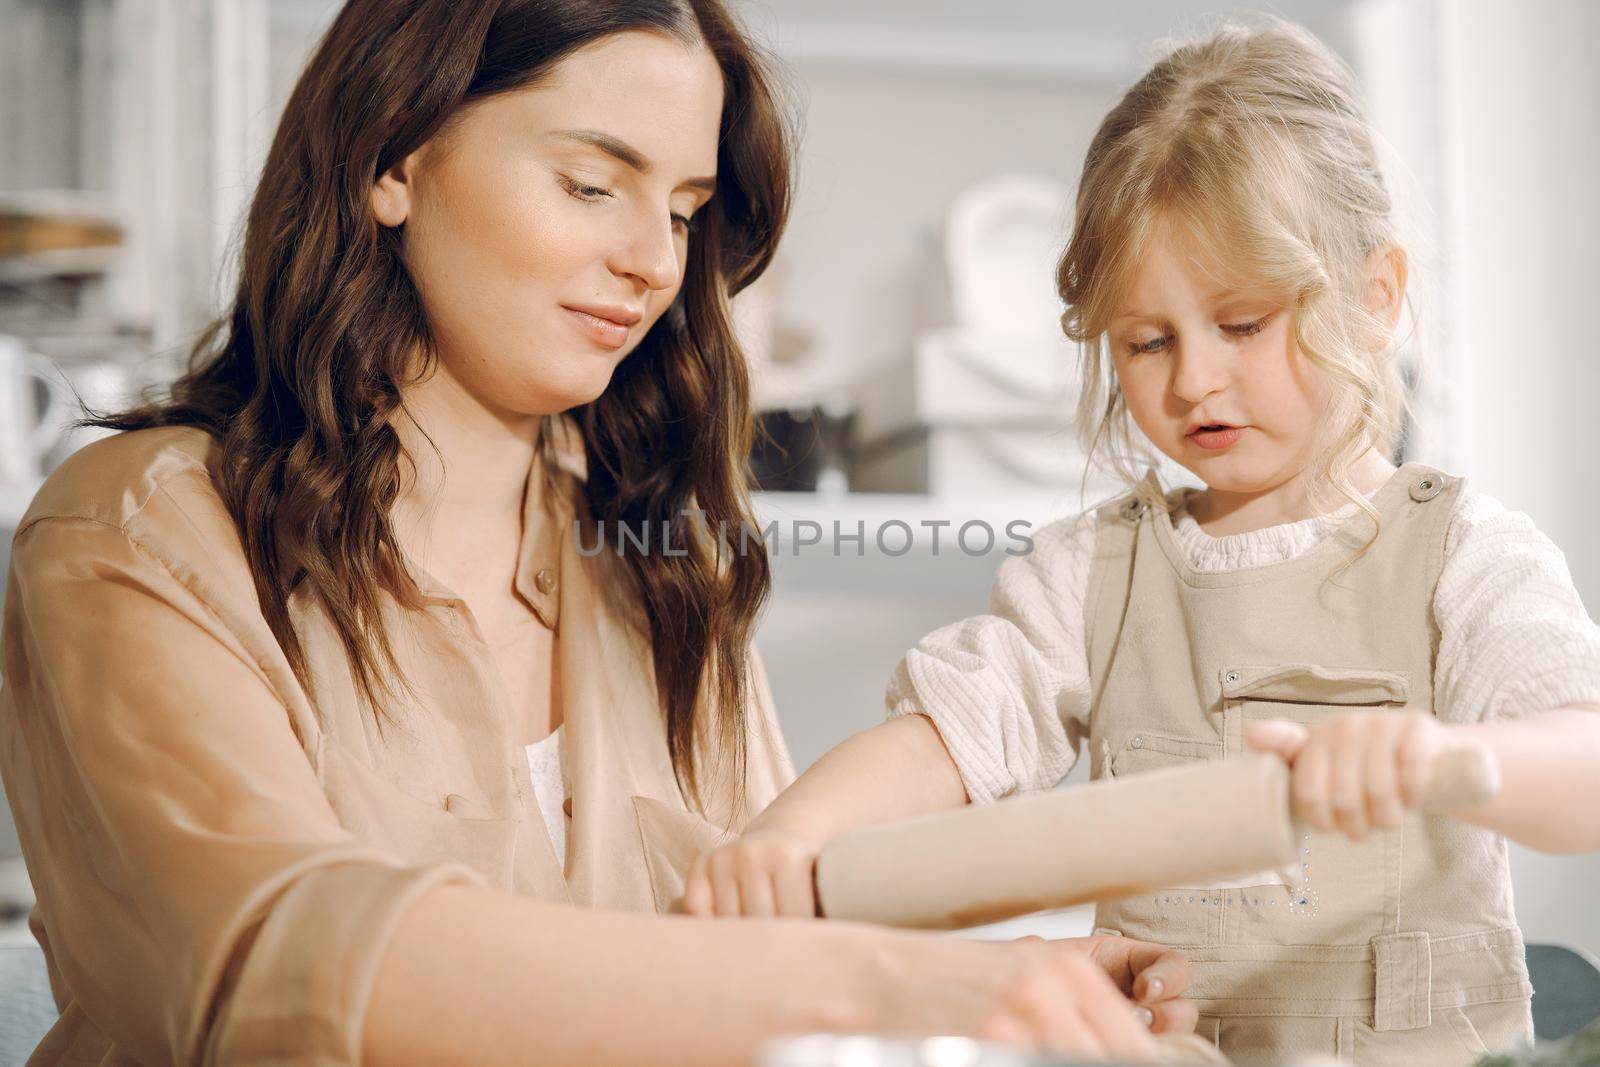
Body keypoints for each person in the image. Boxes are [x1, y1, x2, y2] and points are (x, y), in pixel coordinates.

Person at [0, 2, 1198, 1064]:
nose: (651, 262)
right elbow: (279, 958)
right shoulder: (140, 531)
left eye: (683, 210)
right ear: (391, 160)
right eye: (591, 184)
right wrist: (920, 983)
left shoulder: (659, 572)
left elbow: (766, 940)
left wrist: (1021, 986)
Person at [684, 18, 1600, 1067]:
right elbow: (946, 733)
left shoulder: (1463, 554)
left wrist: (1451, 759)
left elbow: (1585, 768)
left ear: (1374, 296)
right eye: (1146, 340)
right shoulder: (1090, 576)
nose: (1193, 379)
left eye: (1241, 323)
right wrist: (789, 835)